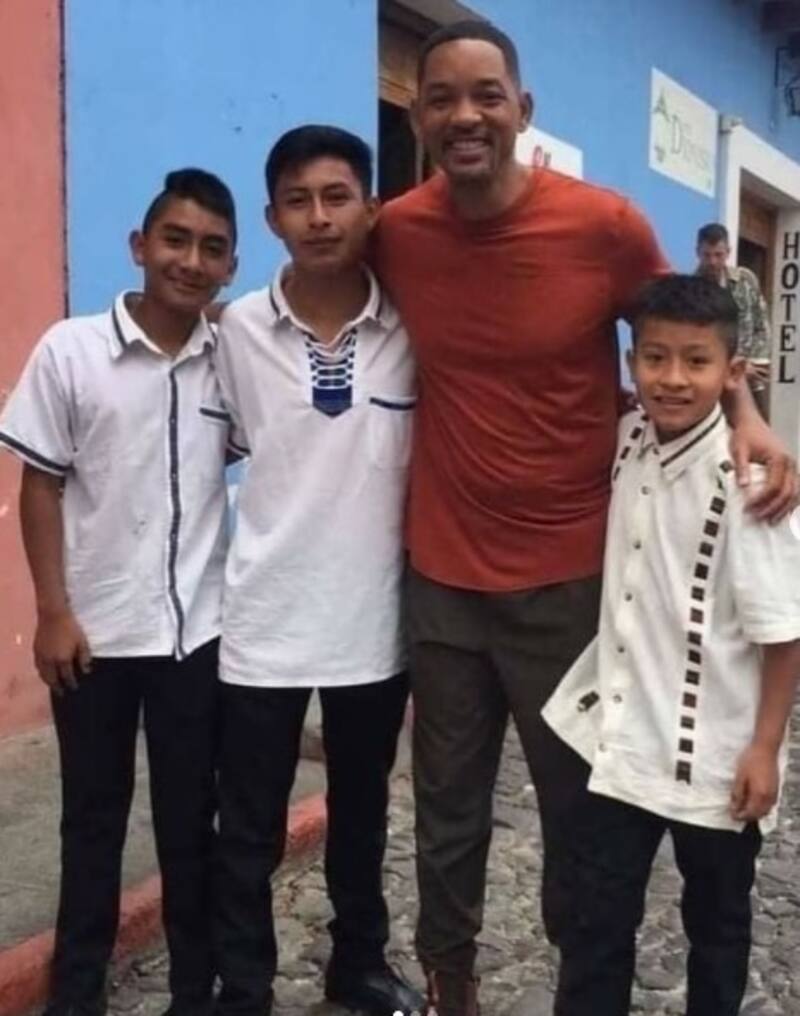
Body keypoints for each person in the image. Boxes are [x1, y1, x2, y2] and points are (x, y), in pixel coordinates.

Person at [373, 19, 797, 1016]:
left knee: (579, 819)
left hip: (569, 583)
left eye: (487, 95)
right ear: (418, 115)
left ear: (522, 109)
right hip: (441, 572)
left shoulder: (602, 227)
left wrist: (746, 415)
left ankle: (583, 980)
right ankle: (449, 982)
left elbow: (683, 331)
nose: (465, 115)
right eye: (442, 98)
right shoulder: (397, 231)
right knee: (444, 809)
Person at [0, 169, 238, 1016]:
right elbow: (41, 484)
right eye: (175, 240)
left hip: (194, 637)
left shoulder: (229, 362)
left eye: (212, 248)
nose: (190, 261)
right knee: (93, 822)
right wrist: (52, 612)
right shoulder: (72, 351)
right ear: (140, 246)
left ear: (230, 267)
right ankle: (77, 995)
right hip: (92, 637)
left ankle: (194, 991)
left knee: (190, 823)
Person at [543, 273, 800, 1016]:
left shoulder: (752, 485)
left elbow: (784, 633)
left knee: (717, 926)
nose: (674, 378)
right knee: (596, 923)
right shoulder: (629, 438)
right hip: (621, 744)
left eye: (696, 361)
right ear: (632, 364)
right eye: (655, 358)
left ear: (730, 371)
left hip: (717, 755)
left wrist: (764, 748)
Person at [212, 126, 424, 1016]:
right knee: (247, 823)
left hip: (372, 619)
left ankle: (359, 965)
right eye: (298, 201)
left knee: (362, 812)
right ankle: (243, 984)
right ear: (272, 219)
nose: (319, 217)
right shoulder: (236, 332)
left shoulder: (412, 323)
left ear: (371, 208)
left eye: (337, 197)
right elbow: (206, 448)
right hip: (262, 615)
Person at [696, 222, 772, 416]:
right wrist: (731, 367)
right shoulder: (692, 290)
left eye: (718, 255)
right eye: (707, 255)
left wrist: (755, 364)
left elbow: (761, 324)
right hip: (712, 379)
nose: (713, 261)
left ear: (728, 252)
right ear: (698, 253)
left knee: (758, 426)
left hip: (750, 377)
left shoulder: (745, 280)